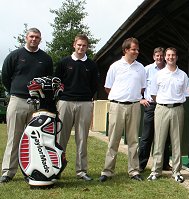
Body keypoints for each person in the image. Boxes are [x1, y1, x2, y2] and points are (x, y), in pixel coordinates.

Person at [1, 28, 53, 183]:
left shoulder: (46, 59)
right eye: (31, 36)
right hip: (17, 101)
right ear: (26, 37)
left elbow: (49, 80)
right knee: (14, 137)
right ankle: (8, 172)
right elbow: (5, 76)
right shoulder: (15, 55)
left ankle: (30, 171)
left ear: (40, 39)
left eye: (37, 37)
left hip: (37, 105)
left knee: (34, 140)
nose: (34, 39)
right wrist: (14, 90)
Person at [99, 37, 146, 182]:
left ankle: (134, 171)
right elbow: (108, 87)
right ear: (126, 50)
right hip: (117, 106)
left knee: (133, 141)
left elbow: (142, 87)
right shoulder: (115, 66)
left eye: (137, 49)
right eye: (133, 49)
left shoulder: (141, 68)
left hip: (134, 106)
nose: (137, 52)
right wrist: (120, 96)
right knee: (114, 139)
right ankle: (107, 171)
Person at [55, 34, 99, 181]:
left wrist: (86, 98)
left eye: (84, 45)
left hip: (85, 103)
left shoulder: (91, 65)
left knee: (82, 138)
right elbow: (57, 83)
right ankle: (56, 169)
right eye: (79, 45)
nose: (81, 48)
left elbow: (94, 85)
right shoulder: (63, 62)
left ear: (87, 47)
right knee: (61, 138)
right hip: (65, 103)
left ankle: (81, 171)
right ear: (74, 45)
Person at [147, 47, 189, 183]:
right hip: (161, 108)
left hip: (177, 109)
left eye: (173, 55)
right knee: (159, 140)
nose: (170, 57)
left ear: (177, 57)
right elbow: (153, 93)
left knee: (177, 142)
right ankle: (156, 171)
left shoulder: (182, 75)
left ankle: (176, 172)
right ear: (165, 57)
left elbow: (186, 94)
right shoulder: (158, 75)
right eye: (168, 55)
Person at [139, 47, 172, 172]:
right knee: (147, 136)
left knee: (165, 137)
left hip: (164, 106)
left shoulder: (169, 69)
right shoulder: (147, 69)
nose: (159, 58)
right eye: (157, 55)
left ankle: (164, 164)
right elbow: (139, 85)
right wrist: (140, 99)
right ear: (154, 57)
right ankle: (141, 165)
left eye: (161, 55)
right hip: (151, 106)